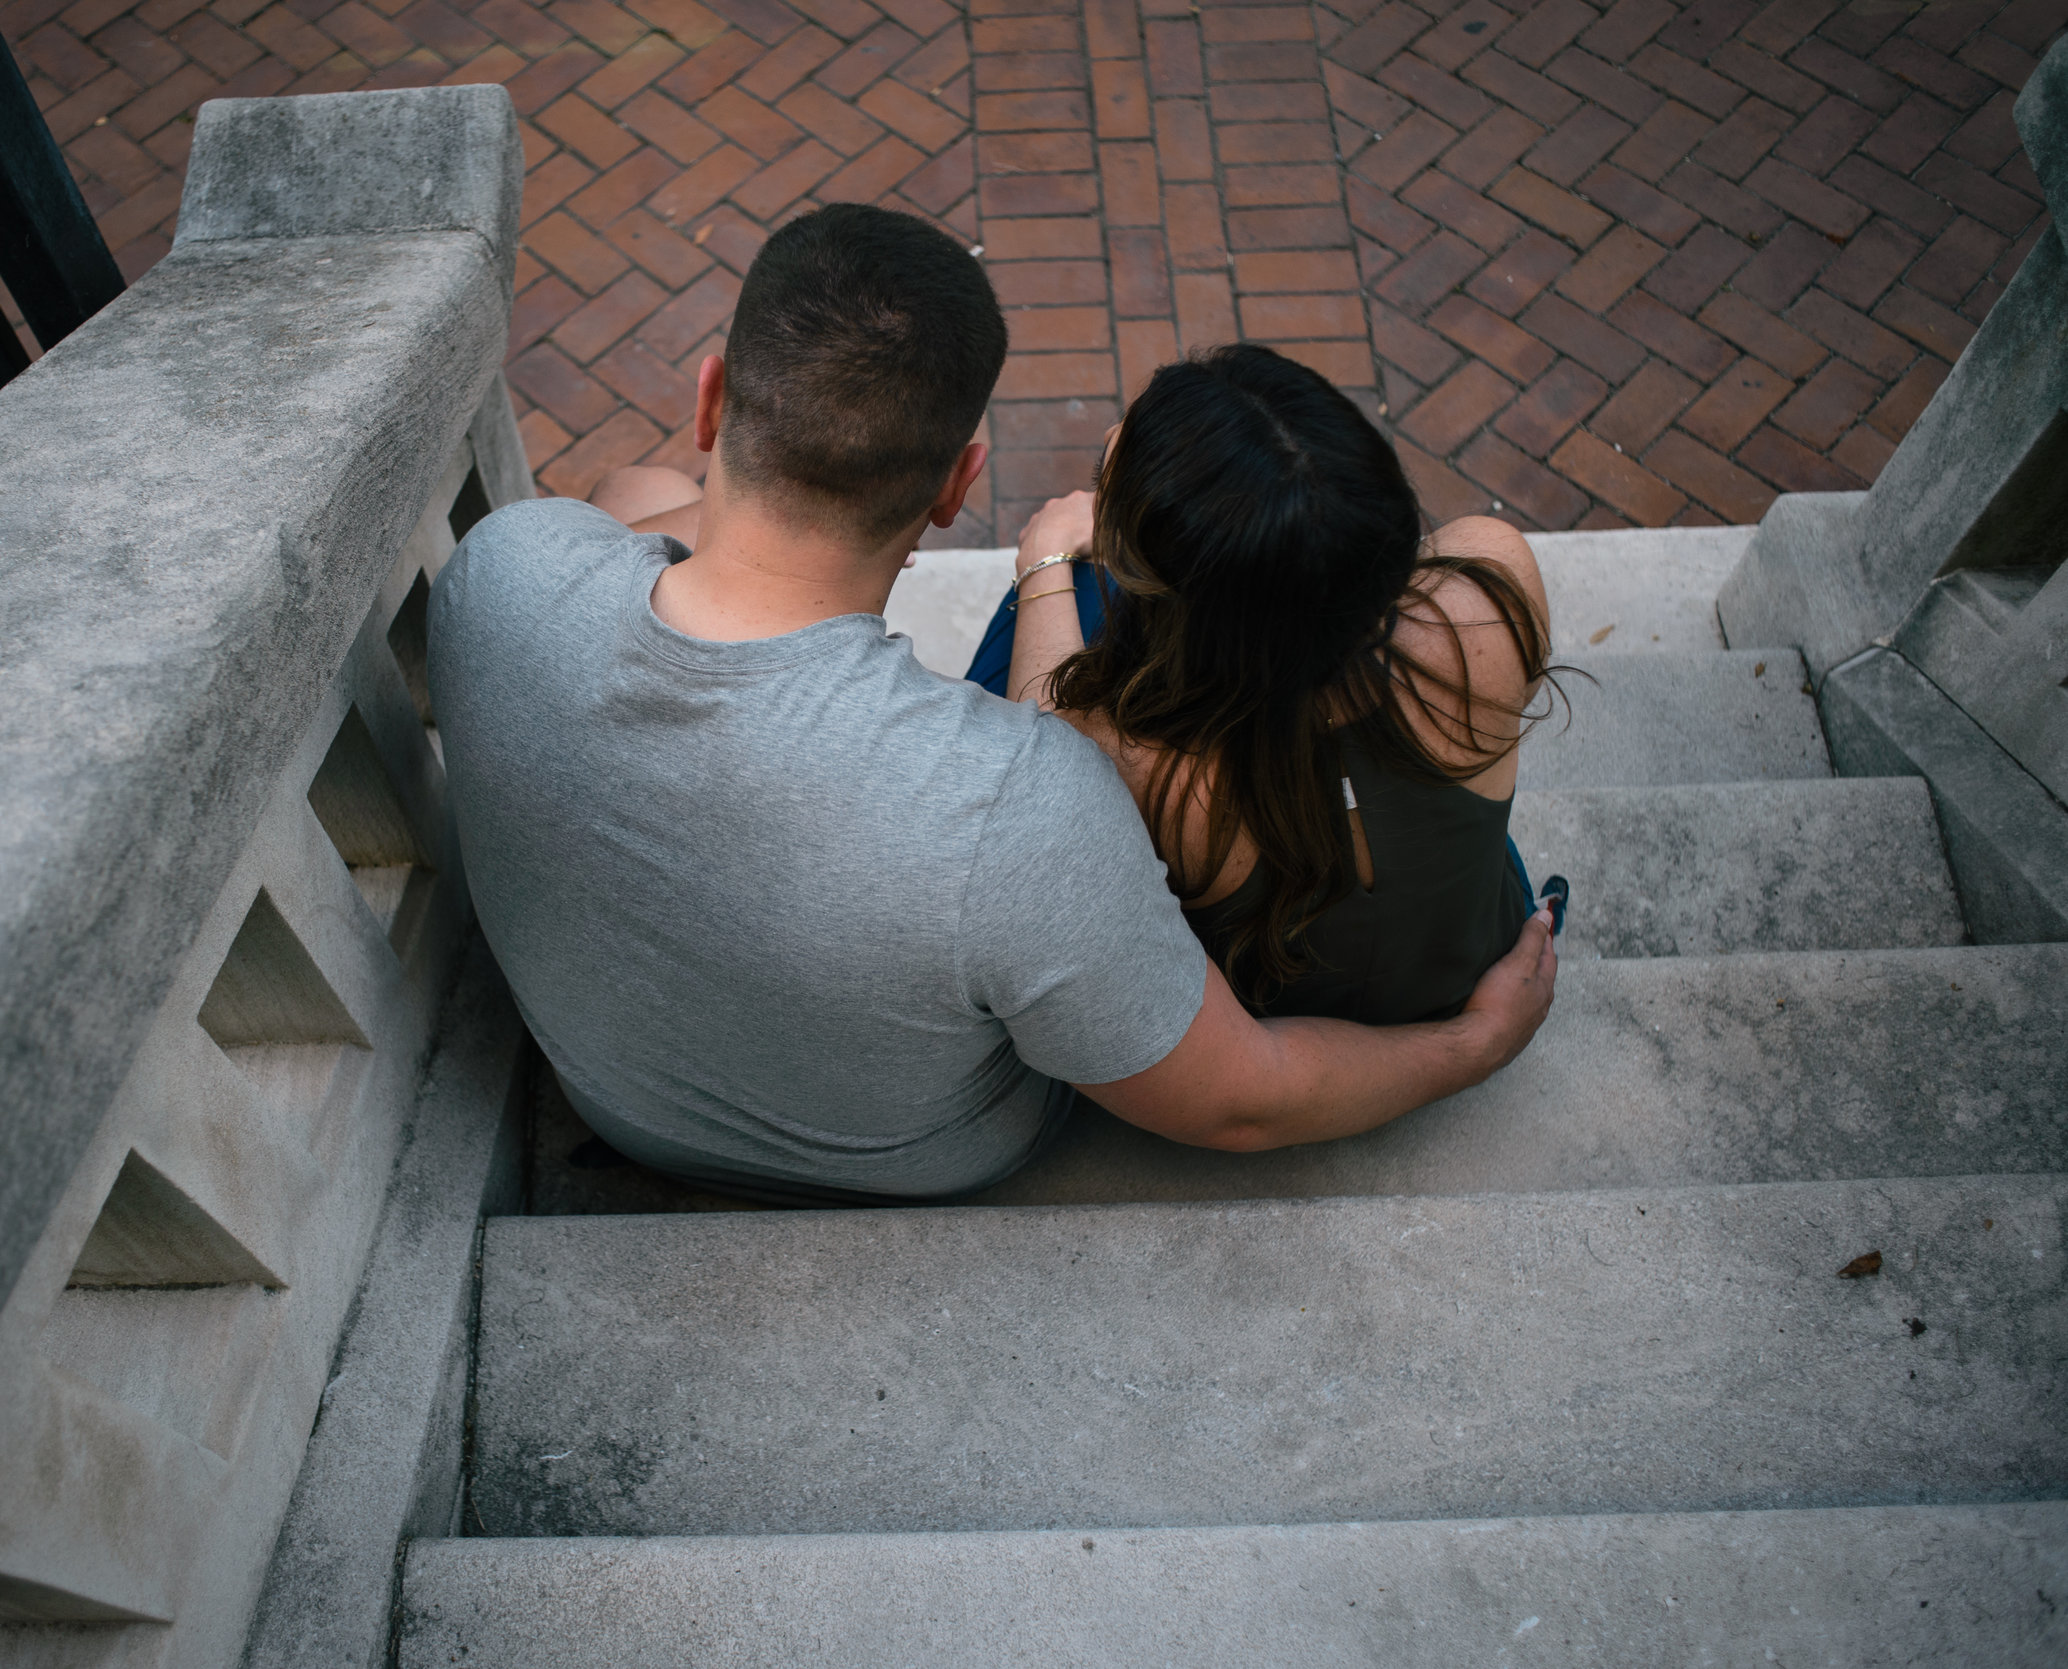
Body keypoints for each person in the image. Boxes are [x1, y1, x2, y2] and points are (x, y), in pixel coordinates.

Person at [426, 203, 1558, 1206]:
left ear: (712, 399)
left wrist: (1046, 567)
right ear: (957, 487)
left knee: (641, 496)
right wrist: (1471, 1043)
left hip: (621, 1103)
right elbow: (1236, 1102)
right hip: (921, 1158)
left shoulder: (500, 571)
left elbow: (628, 519)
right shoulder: (1026, 803)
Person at [977, 343, 1569, 1025]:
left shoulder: (1148, 775)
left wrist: (1046, 557)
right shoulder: (1490, 591)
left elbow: (1041, 742)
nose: (1114, 439)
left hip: (1281, 1025)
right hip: (1471, 966)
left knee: (1076, 595)